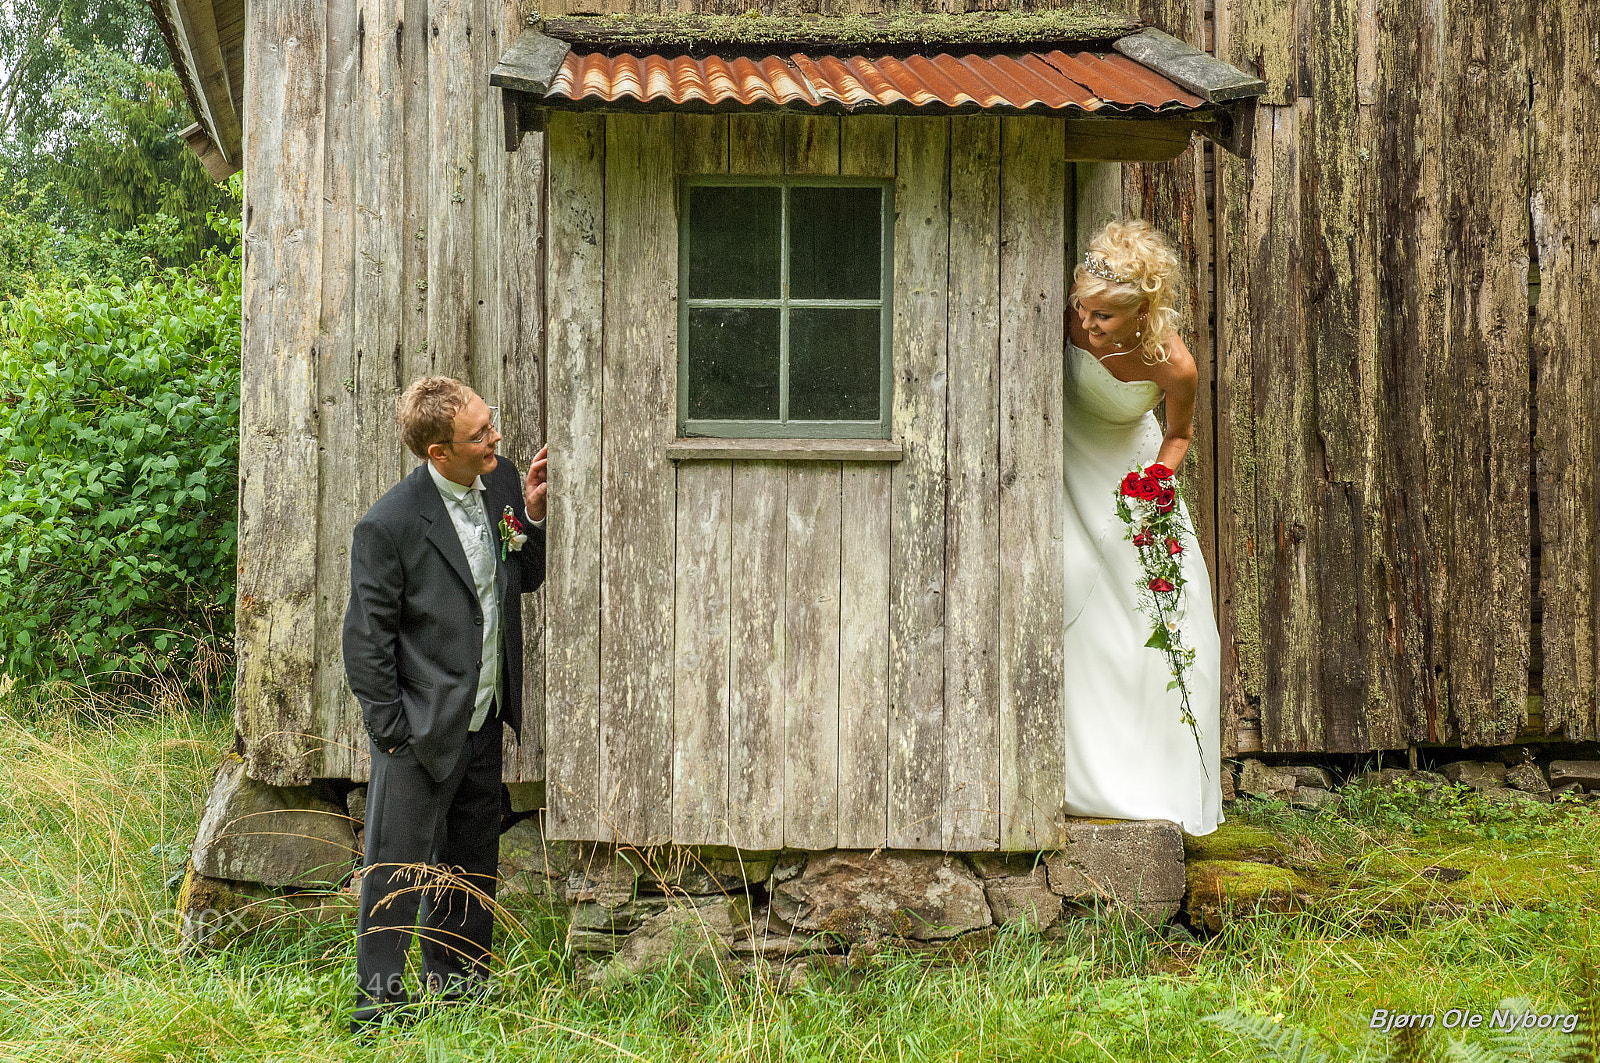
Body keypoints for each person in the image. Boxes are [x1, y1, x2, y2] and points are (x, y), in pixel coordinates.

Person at [342, 376, 548, 1032]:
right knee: (394, 869)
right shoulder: (389, 524)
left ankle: (459, 989)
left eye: (490, 424)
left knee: (470, 861)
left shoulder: (504, 480)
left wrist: (534, 516)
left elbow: (524, 575)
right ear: (439, 453)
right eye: (479, 434)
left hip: (484, 719)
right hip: (419, 732)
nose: (495, 439)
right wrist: (393, 732)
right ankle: (378, 1005)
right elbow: (365, 641)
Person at [1061, 219, 1224, 837]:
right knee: (1075, 592)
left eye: (1103, 315)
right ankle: (1072, 767)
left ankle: (1152, 779)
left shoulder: (1174, 364)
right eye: (1083, 307)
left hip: (1129, 473)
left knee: (1162, 621)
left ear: (1142, 311)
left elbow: (1179, 436)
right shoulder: (1071, 321)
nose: (1087, 323)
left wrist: (1158, 482)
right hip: (1065, 455)